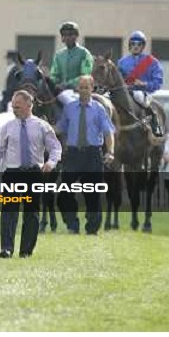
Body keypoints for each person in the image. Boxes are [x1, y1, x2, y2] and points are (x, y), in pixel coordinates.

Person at [0, 90, 61, 258]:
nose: (14, 110)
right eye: (13, 107)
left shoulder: (42, 126)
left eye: (18, 107)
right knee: (9, 211)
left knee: (32, 212)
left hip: (34, 173)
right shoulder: (7, 127)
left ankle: (26, 250)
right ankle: (6, 248)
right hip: (12, 172)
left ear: (29, 105)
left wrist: (51, 162)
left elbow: (56, 147)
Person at [55, 75, 115, 235]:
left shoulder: (98, 109)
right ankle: (72, 224)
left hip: (92, 155)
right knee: (64, 194)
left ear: (92, 88)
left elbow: (108, 133)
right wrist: (44, 127)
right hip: (73, 154)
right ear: (77, 89)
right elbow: (60, 128)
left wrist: (110, 152)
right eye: (80, 87)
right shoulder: (69, 108)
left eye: (86, 87)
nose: (83, 90)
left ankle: (92, 228)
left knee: (92, 194)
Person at [117, 30, 164, 136]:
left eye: (139, 44)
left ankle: (155, 125)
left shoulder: (152, 62)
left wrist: (144, 84)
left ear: (143, 46)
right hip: (125, 92)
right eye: (133, 43)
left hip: (143, 92)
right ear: (130, 45)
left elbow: (158, 82)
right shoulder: (122, 62)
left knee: (138, 96)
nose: (136, 46)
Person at [49, 21, 94, 105]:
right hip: (59, 91)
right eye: (65, 35)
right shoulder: (59, 55)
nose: (68, 37)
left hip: (79, 91)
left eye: (71, 34)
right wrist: (54, 83)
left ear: (76, 36)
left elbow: (85, 75)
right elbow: (54, 74)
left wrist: (67, 85)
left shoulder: (84, 53)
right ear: (62, 37)